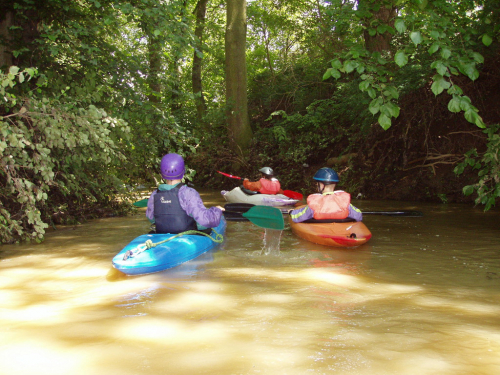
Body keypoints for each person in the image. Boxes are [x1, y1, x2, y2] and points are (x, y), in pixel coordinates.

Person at [146, 153, 225, 234]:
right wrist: (216, 210)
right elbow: (203, 221)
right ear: (183, 172)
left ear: (162, 174)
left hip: (162, 233)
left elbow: (151, 218)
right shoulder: (188, 193)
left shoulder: (155, 194)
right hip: (187, 235)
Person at [289, 167, 363, 222]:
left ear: (321, 185)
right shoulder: (345, 203)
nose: (316, 185)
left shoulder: (314, 204)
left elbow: (298, 217)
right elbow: (359, 215)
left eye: (317, 183)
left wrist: (292, 212)